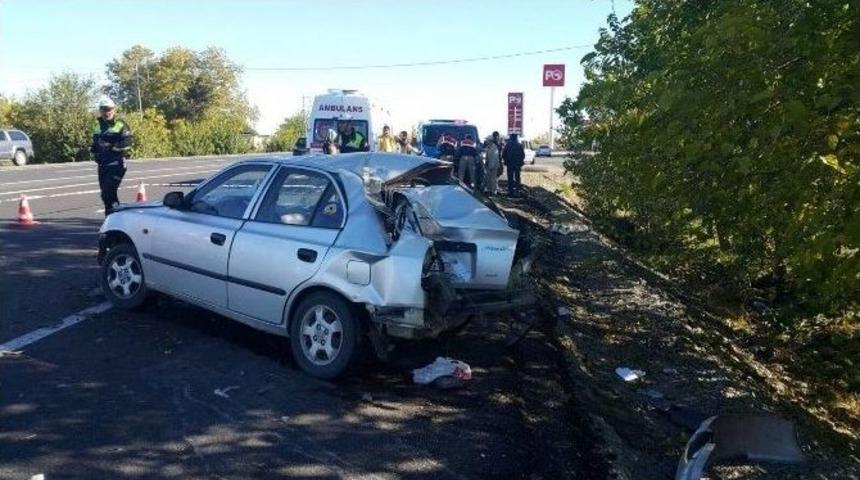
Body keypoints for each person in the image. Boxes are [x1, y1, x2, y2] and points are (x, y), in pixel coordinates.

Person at [91, 97, 132, 216]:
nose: (106, 112)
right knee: (106, 195)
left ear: (114, 110)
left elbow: (128, 143)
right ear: (100, 110)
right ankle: (111, 219)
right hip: (103, 165)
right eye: (103, 109)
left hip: (116, 164)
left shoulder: (120, 124)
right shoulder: (97, 124)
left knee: (108, 193)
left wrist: (111, 147)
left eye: (109, 109)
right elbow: (96, 142)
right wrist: (94, 150)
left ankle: (117, 216)